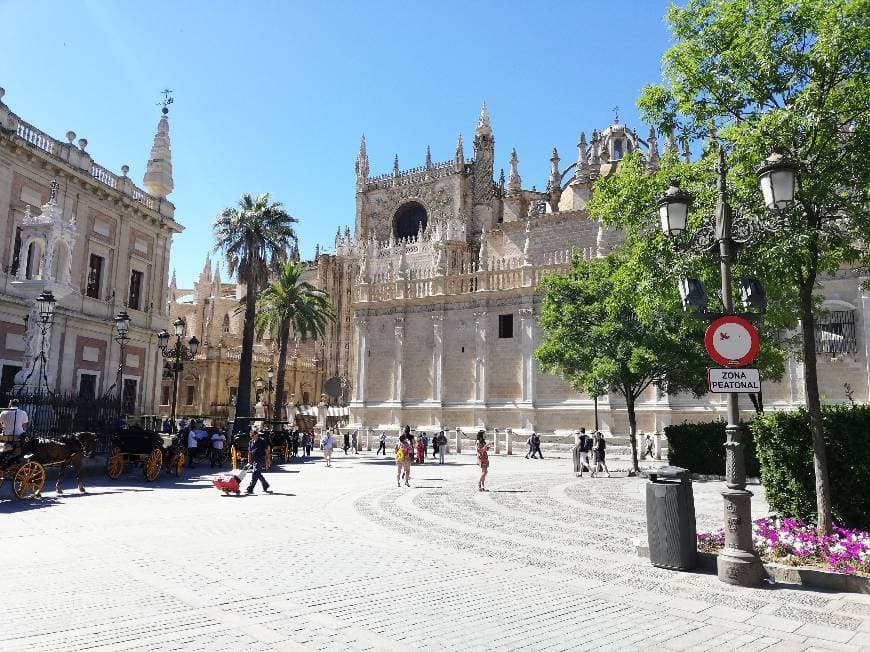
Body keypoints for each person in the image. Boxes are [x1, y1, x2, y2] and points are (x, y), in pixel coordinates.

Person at [246, 428, 271, 494]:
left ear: (256, 435)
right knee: (258, 473)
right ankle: (265, 484)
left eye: (252, 435)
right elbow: (250, 452)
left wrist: (268, 459)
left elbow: (267, 451)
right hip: (254, 460)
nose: (251, 437)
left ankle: (250, 488)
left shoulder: (262, 441)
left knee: (255, 472)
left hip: (261, 459)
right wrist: (249, 460)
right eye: (250, 436)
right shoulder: (251, 442)